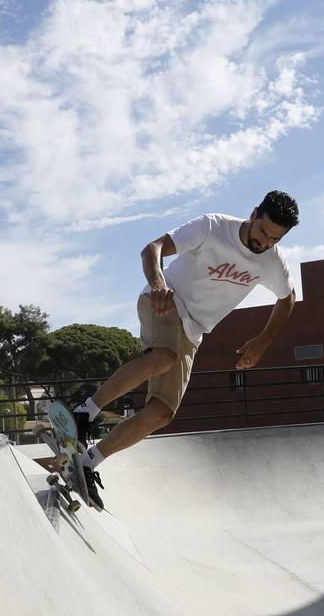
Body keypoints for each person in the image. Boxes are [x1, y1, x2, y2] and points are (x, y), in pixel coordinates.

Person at [72, 191, 300, 507]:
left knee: (161, 413)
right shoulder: (212, 226)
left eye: (274, 239)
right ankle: (83, 414)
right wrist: (158, 285)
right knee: (164, 356)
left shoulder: (273, 262)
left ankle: (87, 463)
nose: (264, 243)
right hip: (164, 301)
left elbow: (287, 299)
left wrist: (263, 340)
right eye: (263, 232)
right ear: (254, 213)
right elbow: (152, 249)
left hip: (193, 332)